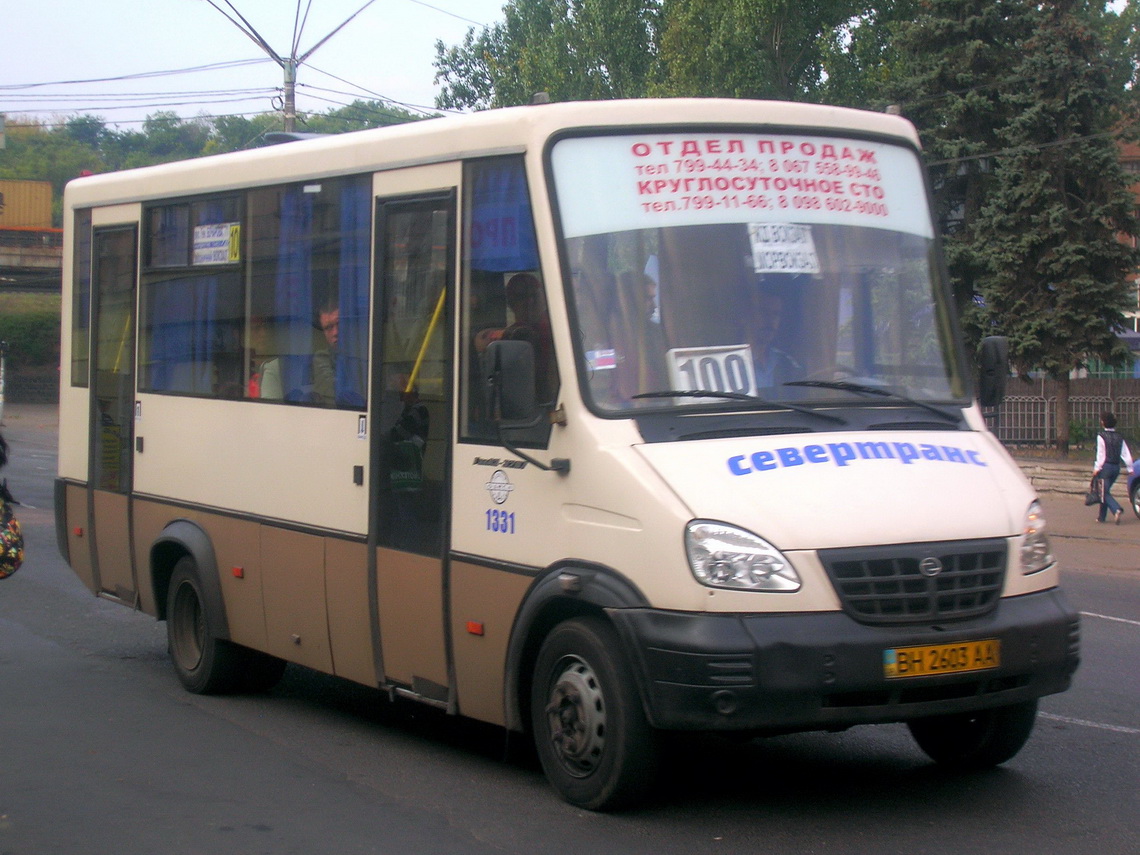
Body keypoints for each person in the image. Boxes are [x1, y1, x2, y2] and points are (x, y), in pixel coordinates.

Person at [749, 288, 801, 388]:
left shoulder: (787, 364)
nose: (770, 320)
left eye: (775, 314)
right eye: (763, 312)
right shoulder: (734, 363)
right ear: (748, 316)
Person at [1093, 411, 1133, 524]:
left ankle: (1116, 509)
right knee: (1105, 491)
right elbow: (1126, 454)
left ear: (1103, 423)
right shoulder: (1120, 437)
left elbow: (1101, 454)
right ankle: (1101, 517)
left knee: (1103, 492)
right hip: (1116, 468)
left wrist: (1097, 468)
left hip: (1105, 467)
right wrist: (1130, 469)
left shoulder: (1101, 436)